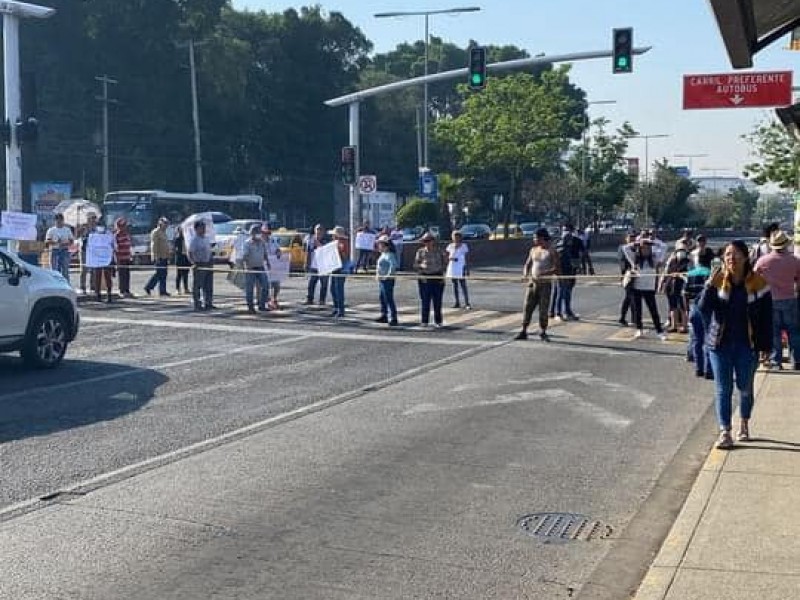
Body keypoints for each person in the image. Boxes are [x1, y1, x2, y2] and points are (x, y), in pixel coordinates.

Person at [699, 240, 772, 449]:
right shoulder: (718, 280)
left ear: (746, 256)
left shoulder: (759, 283)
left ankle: (744, 423)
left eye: (736, 254)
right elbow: (703, 309)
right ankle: (725, 431)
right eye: (728, 255)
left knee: (745, 388)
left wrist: (766, 346)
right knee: (723, 389)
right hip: (719, 345)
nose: (731, 258)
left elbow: (767, 317)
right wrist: (708, 286)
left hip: (747, 346)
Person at [754, 230, 800, 370]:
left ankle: (776, 361)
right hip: (790, 298)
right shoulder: (795, 260)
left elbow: (753, 278)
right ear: (786, 244)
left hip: (771, 299)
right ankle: (796, 360)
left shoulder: (763, 261)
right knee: (794, 331)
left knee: (774, 333)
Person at [515, 228, 560, 341]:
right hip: (532, 284)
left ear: (542, 238)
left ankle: (543, 331)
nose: (534, 239)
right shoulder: (533, 250)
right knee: (527, 307)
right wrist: (525, 274)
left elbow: (557, 269)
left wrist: (544, 273)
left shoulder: (551, 251)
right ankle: (524, 330)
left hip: (545, 284)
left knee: (543, 309)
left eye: (536, 237)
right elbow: (527, 264)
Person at [622, 232, 667, 340]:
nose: (645, 250)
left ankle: (659, 332)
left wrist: (651, 241)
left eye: (647, 248)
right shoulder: (634, 259)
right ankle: (639, 330)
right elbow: (625, 248)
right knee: (637, 310)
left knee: (653, 310)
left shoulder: (655, 259)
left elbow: (664, 247)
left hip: (649, 288)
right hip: (636, 287)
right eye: (643, 248)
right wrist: (637, 243)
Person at [550, 224, 583, 321]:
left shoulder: (575, 242)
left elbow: (581, 254)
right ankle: (557, 312)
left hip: (570, 271)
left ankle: (565, 311)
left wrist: (579, 266)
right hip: (561, 272)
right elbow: (554, 258)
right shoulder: (560, 246)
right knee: (560, 292)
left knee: (566, 292)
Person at [414, 231, 446, 328]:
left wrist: (442, 276)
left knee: (437, 301)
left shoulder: (439, 251)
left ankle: (438, 321)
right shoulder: (420, 252)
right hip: (425, 277)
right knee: (425, 301)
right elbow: (415, 265)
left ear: (433, 241)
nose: (426, 243)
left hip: (437, 277)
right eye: (425, 241)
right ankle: (424, 321)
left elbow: (444, 264)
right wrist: (421, 265)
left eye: (428, 241)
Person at [240, 224, 270, 313]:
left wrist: (267, 262)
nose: (258, 234)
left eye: (259, 232)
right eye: (256, 232)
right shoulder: (247, 243)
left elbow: (265, 253)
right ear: (252, 233)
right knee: (250, 289)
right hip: (250, 268)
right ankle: (250, 307)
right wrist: (245, 266)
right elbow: (244, 256)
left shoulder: (262, 242)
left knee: (265, 286)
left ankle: (262, 305)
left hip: (260, 267)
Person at [662, 239, 691, 333]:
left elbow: (689, 274)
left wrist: (680, 275)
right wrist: (663, 284)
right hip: (671, 286)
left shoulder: (688, 262)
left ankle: (684, 326)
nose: (680, 252)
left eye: (683, 251)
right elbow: (667, 272)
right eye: (679, 250)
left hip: (682, 286)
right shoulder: (672, 261)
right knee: (672, 306)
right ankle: (674, 325)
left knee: (683, 307)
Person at [188, 220, 214, 311]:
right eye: (201, 227)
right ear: (196, 229)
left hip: (208, 263)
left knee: (208, 285)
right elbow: (190, 252)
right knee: (198, 285)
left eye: (204, 227)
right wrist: (193, 262)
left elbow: (209, 251)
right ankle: (197, 304)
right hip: (199, 264)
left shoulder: (206, 238)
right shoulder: (194, 240)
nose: (203, 229)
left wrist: (211, 260)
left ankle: (208, 303)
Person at [374, 235, 399, 326]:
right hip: (382, 280)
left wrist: (388, 276)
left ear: (385, 245)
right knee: (382, 297)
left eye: (380, 244)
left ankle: (393, 317)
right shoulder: (383, 254)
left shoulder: (390, 255)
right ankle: (384, 315)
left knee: (388, 298)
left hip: (387, 280)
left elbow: (393, 266)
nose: (378, 246)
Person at [144, 217, 171, 297]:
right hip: (159, 257)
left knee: (163, 274)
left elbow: (166, 245)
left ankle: (162, 290)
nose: (166, 225)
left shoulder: (164, 232)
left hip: (164, 256)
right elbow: (154, 245)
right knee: (159, 273)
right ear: (160, 223)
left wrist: (168, 256)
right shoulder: (156, 232)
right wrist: (155, 257)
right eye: (165, 223)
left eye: (167, 224)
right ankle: (149, 287)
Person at [303, 224, 329, 306]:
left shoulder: (327, 240)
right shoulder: (310, 240)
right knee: (311, 283)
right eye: (317, 230)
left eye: (320, 230)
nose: (319, 231)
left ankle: (322, 300)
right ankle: (309, 299)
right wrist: (306, 263)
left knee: (324, 284)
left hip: (324, 266)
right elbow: (308, 252)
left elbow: (328, 251)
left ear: (323, 231)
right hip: (314, 265)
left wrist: (318, 244)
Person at [445, 230, 471, 309]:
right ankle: (457, 302)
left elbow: (467, 257)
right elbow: (446, 256)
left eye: (457, 237)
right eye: (454, 237)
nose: (456, 239)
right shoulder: (450, 246)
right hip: (453, 267)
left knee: (463, 285)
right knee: (454, 285)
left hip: (461, 267)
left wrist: (467, 268)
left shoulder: (464, 246)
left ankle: (467, 303)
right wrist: (449, 258)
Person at [45, 212, 74, 282]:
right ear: (55, 221)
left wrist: (64, 243)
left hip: (65, 251)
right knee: (54, 270)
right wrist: (55, 242)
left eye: (61, 220)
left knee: (65, 270)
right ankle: (55, 285)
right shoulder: (51, 230)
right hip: (54, 250)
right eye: (57, 220)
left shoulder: (67, 229)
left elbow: (71, 241)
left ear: (63, 220)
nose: (59, 221)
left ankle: (66, 285)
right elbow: (47, 241)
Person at [329, 226, 350, 318]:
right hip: (335, 267)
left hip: (341, 268)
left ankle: (341, 310)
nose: (332, 236)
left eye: (334, 235)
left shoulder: (343, 243)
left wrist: (340, 251)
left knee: (339, 290)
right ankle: (336, 307)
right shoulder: (335, 243)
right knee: (333, 289)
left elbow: (345, 257)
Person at [91, 225, 115, 303]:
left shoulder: (109, 234)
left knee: (107, 276)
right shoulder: (94, 234)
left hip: (106, 258)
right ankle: (98, 295)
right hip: (97, 257)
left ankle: (109, 295)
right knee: (97, 276)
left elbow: (114, 245)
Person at [618, 232, 636, 326]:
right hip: (627, 275)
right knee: (630, 297)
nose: (632, 239)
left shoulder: (635, 248)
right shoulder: (623, 248)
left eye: (634, 237)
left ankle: (633, 318)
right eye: (630, 237)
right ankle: (623, 317)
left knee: (632, 297)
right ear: (626, 238)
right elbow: (622, 262)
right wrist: (627, 271)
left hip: (635, 275)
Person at [78, 213, 99, 294]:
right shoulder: (84, 227)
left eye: (94, 219)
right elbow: (78, 236)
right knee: (84, 269)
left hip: (93, 251)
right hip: (84, 250)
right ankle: (82, 286)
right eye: (91, 219)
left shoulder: (97, 229)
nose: (93, 221)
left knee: (93, 269)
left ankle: (92, 286)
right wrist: (84, 231)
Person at [263, 227, 282, 309]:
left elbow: (278, 250)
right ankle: (267, 302)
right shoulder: (260, 242)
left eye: (267, 233)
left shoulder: (273, 240)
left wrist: (278, 252)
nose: (266, 234)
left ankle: (274, 299)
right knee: (265, 285)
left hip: (274, 265)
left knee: (276, 285)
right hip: (264, 266)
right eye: (264, 233)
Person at [114, 218, 133, 298]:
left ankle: (127, 289)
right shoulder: (116, 235)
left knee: (127, 274)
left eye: (124, 225)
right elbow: (115, 248)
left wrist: (131, 254)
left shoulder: (127, 234)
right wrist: (116, 259)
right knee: (122, 274)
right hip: (120, 257)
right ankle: (122, 290)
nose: (124, 227)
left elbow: (129, 245)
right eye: (122, 226)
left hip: (127, 256)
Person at [173, 226, 191, 295]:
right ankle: (177, 289)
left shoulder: (187, 238)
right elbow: (175, 248)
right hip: (179, 258)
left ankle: (186, 288)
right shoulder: (177, 239)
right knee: (179, 274)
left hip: (186, 258)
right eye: (181, 230)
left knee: (186, 274)